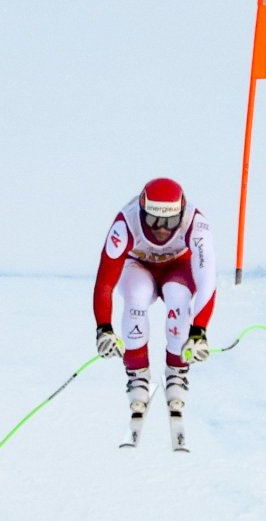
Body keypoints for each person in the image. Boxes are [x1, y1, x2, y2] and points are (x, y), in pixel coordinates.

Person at [92, 176, 216, 423]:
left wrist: (199, 332)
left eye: (170, 222)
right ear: (141, 211)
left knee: (178, 297)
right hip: (138, 265)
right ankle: (137, 373)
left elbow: (207, 281)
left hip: (178, 267)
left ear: (181, 215)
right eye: (153, 220)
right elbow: (105, 282)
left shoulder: (196, 224)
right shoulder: (124, 224)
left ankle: (177, 371)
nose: (161, 228)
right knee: (136, 296)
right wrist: (104, 329)